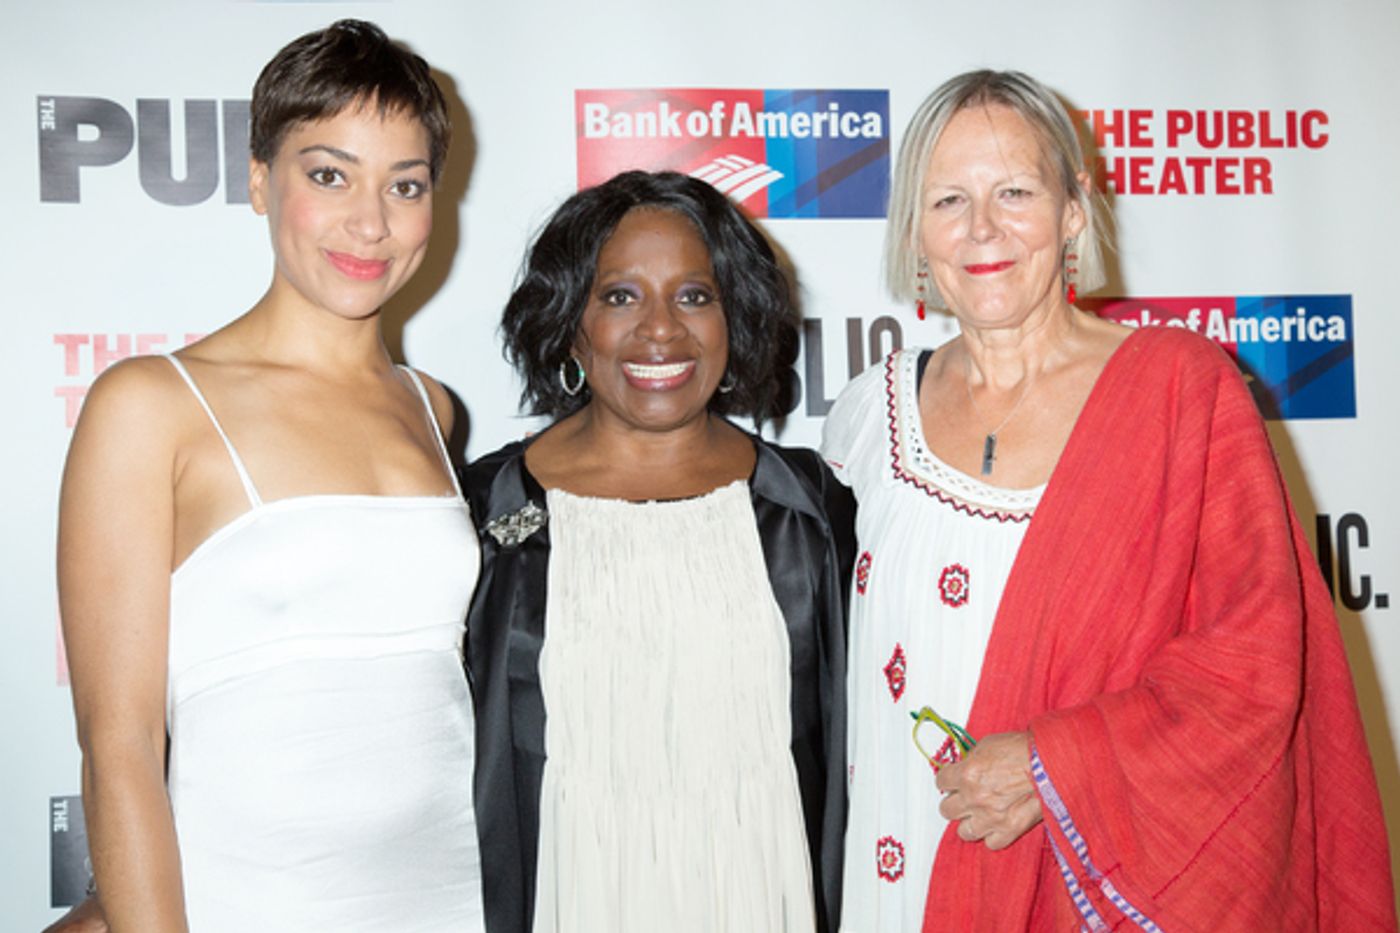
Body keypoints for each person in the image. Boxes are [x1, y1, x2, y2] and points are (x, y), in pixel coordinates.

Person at [822, 69, 1395, 931]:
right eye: (948, 200)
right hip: (895, 858)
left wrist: (1057, 765)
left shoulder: (1180, 392)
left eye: (1015, 192)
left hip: (1089, 873)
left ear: (1074, 210)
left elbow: (1255, 666)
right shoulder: (869, 414)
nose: (982, 228)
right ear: (913, 231)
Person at [57, 21, 485, 932]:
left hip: (450, 899)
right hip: (248, 904)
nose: (370, 222)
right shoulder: (151, 405)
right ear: (259, 180)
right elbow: (119, 747)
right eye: (330, 175)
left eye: (405, 185)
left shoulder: (433, 409)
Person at [463, 169, 854, 933]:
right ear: (570, 320)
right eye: (620, 296)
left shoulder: (810, 508)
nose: (662, 329)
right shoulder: (487, 514)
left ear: (734, 313)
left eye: (694, 295)